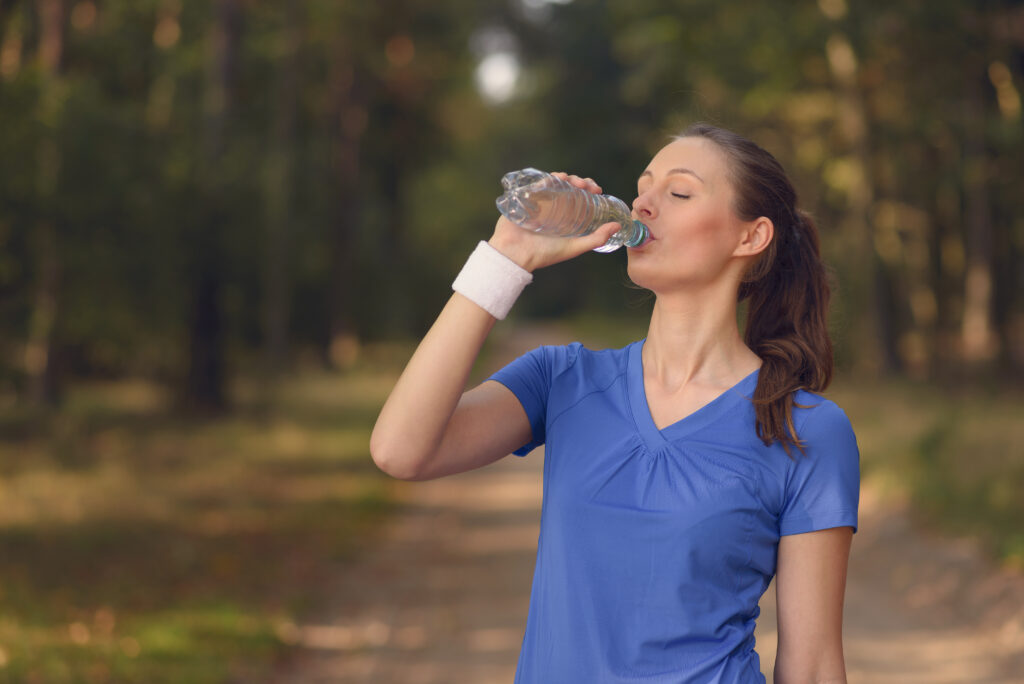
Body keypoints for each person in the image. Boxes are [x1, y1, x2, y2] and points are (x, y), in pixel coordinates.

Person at [370, 123, 860, 684]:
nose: (643, 204)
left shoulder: (805, 429)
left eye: (678, 193)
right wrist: (506, 256)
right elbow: (399, 450)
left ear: (750, 237)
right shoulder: (563, 380)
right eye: (643, 188)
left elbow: (813, 664)